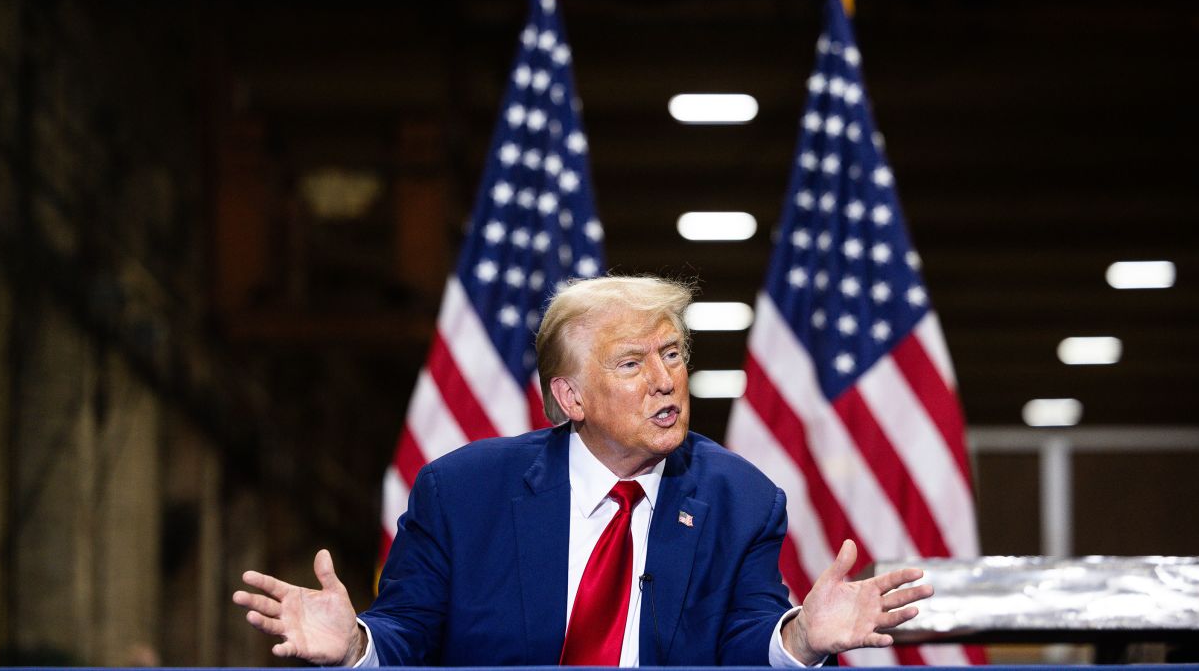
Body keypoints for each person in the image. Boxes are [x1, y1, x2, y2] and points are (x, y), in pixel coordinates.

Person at [234, 276, 932, 666]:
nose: (665, 381)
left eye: (672, 354)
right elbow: (409, 633)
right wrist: (354, 644)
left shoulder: (737, 497)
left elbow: (744, 644)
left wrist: (802, 636)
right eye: (632, 363)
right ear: (570, 398)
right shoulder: (462, 494)